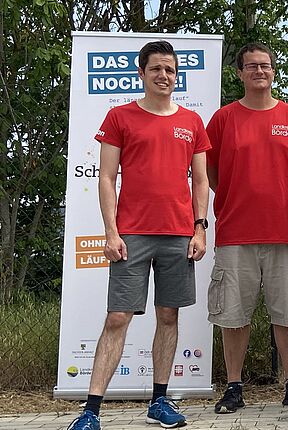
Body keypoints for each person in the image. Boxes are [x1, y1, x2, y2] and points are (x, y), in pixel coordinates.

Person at [68, 40, 210, 430]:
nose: (163, 76)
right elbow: (106, 178)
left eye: (170, 69)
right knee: (117, 318)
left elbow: (200, 180)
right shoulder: (120, 117)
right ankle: (90, 412)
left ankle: (159, 402)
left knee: (169, 315)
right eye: (156, 69)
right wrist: (111, 231)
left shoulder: (192, 123)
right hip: (130, 234)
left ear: (176, 75)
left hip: (179, 235)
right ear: (142, 74)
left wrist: (199, 228)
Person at [205, 42, 288, 414]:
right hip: (236, 233)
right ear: (239, 73)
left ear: (274, 72)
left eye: (266, 66)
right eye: (252, 66)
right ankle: (234, 387)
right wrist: (237, 197)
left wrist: (280, 196)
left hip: (286, 232)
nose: (260, 71)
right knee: (232, 316)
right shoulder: (223, 119)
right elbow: (209, 172)